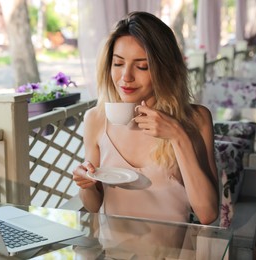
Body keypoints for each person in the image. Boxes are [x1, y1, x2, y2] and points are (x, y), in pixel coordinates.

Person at [72, 11, 218, 225]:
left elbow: (208, 214)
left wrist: (178, 136)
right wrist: (86, 183)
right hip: (113, 253)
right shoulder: (95, 119)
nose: (126, 77)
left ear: (165, 69)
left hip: (175, 254)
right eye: (118, 63)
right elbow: (93, 205)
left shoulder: (196, 119)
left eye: (142, 66)